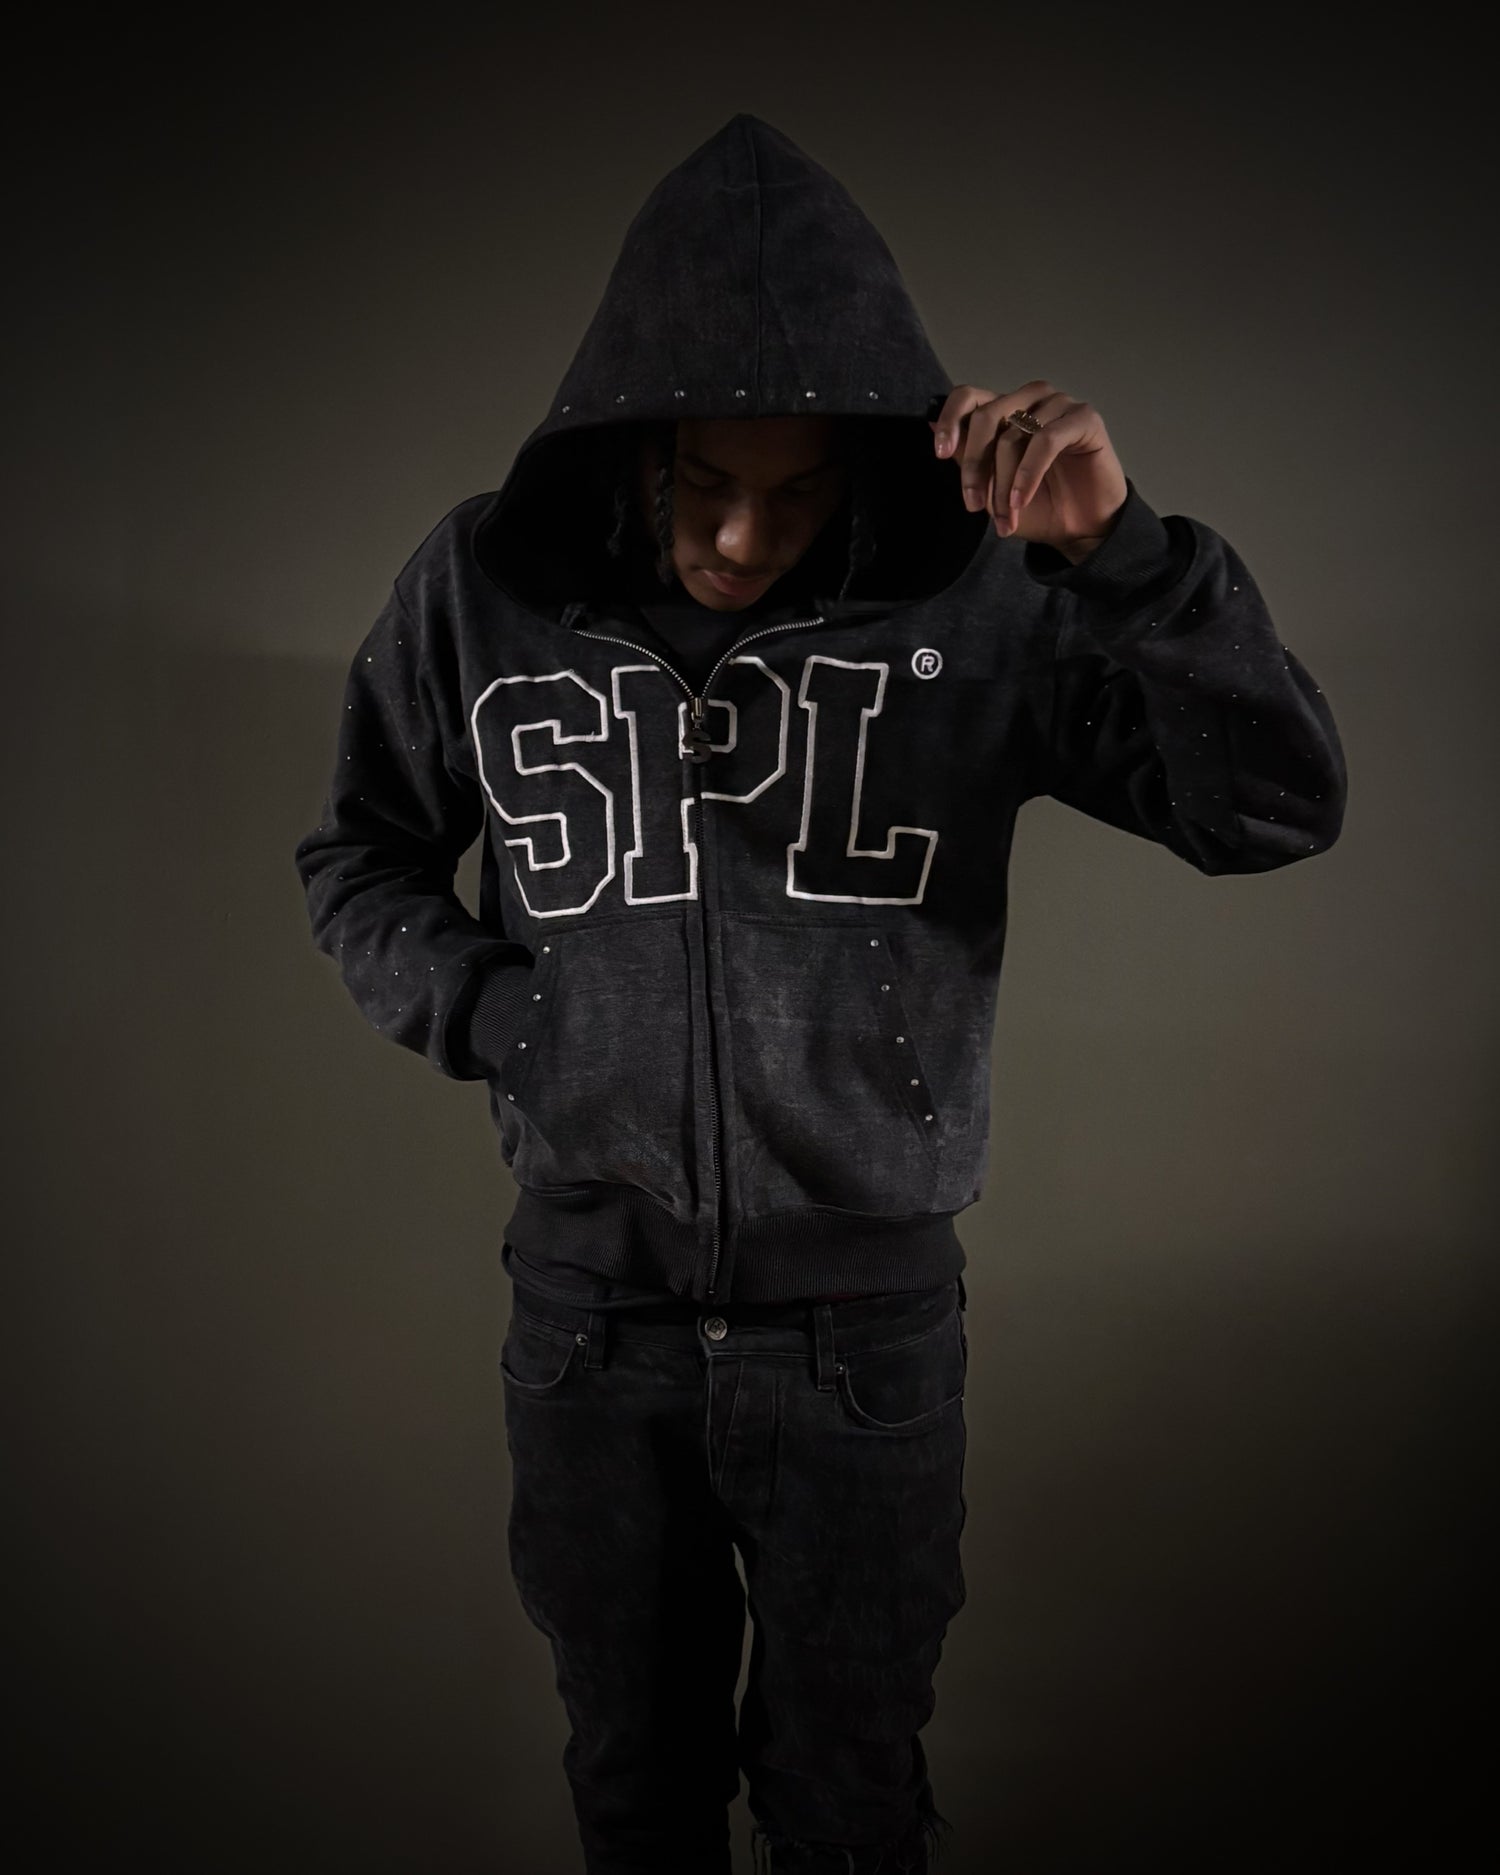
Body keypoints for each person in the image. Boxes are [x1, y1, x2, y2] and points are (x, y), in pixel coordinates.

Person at [293, 113, 1347, 1875]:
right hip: (593, 1325)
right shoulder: (480, 588)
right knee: (634, 1799)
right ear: (629, 441)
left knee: (849, 1812)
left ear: (863, 466)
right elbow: (359, 853)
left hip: (863, 1338)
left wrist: (1127, 557)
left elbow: (1274, 809)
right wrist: (505, 1019)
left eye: (794, 495)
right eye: (702, 481)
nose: (740, 536)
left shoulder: (986, 601)